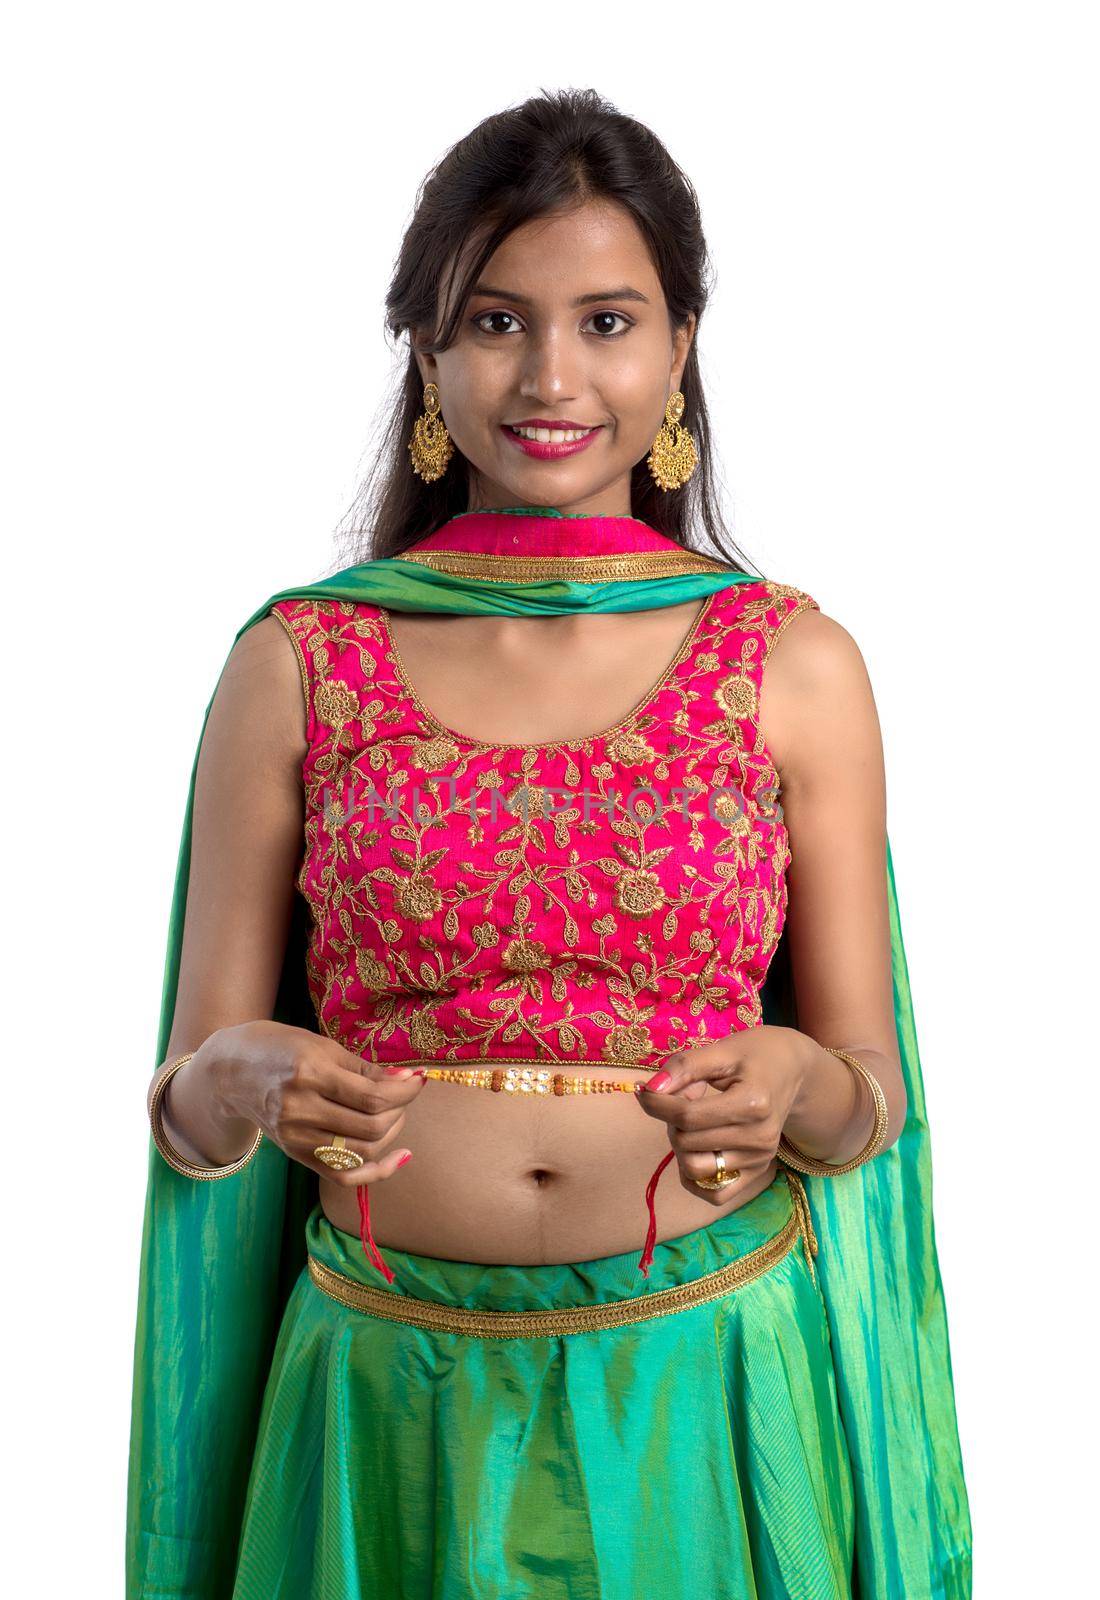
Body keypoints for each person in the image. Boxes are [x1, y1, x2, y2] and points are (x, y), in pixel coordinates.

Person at [127, 88, 972, 1599]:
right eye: (500, 322)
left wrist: (797, 1082)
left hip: (702, 1388)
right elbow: (192, 1110)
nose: (553, 376)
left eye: (607, 320)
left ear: (680, 351)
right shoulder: (303, 661)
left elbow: (869, 1104)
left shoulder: (788, 657)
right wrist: (239, 1075)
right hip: (384, 1404)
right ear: (431, 358)